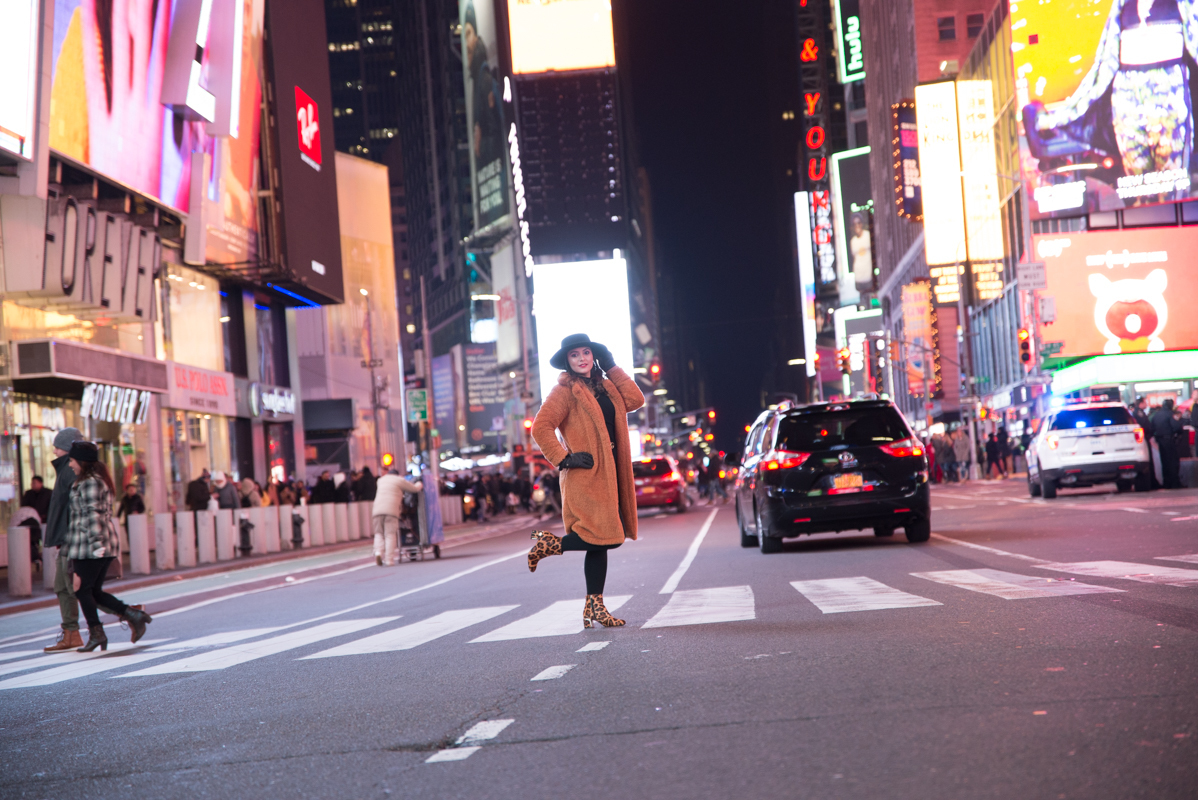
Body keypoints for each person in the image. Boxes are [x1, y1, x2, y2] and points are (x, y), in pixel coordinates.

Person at [529, 333, 645, 628]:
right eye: (574, 355)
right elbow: (541, 427)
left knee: (600, 544)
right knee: (605, 536)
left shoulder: (606, 386)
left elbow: (635, 399)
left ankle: (594, 607)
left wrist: (613, 366)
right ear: (567, 362)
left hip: (610, 472)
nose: (582, 359)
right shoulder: (565, 391)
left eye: (586, 353)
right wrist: (565, 457)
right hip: (586, 475)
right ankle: (550, 545)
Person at [63, 441, 152, 652]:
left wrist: (96, 546)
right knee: (91, 591)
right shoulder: (91, 481)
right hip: (93, 545)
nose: (70, 465)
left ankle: (98, 632)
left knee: (82, 590)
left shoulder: (89, 483)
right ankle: (131, 615)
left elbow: (93, 516)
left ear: (82, 461)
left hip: (91, 547)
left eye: (72, 460)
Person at [43, 427, 86, 652]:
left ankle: (129, 613)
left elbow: (72, 508)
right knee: (64, 586)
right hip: (68, 538)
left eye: (58, 446)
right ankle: (71, 633)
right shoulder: (66, 469)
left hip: (71, 538)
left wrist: (67, 536)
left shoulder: (69, 469)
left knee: (75, 587)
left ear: (68, 448)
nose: (54, 450)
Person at [371, 469, 423, 566]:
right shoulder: (399, 480)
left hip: (377, 510)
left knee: (379, 533)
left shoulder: (380, 480)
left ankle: (378, 552)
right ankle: (389, 560)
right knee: (390, 534)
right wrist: (420, 484)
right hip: (391, 510)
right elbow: (414, 489)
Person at [1151, 398, 1184, 489]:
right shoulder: (1170, 414)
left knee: (1164, 462)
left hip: (1160, 441)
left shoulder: (1156, 415)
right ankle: (1174, 483)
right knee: (1173, 462)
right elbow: (1177, 427)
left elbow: (1152, 428)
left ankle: (1167, 483)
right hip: (1169, 440)